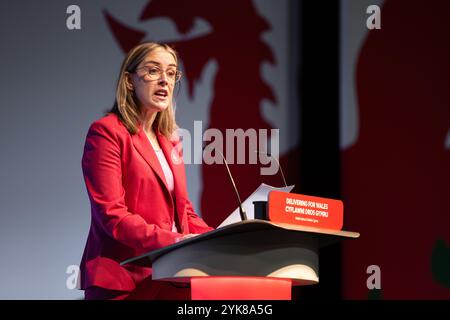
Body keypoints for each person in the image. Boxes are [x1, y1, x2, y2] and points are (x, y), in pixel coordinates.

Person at [79, 42, 214, 300]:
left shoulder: (170, 139)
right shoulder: (107, 132)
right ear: (129, 81)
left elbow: (182, 211)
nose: (165, 80)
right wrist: (174, 241)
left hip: (172, 279)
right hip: (123, 281)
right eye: (153, 71)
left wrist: (218, 238)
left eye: (172, 73)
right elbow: (112, 215)